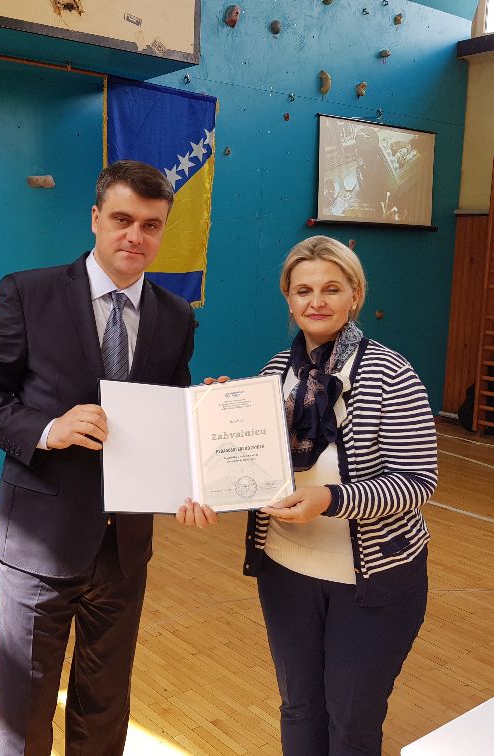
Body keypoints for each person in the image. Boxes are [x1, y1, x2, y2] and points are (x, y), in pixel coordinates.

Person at [0, 160, 196, 755]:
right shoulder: (28, 293)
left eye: (151, 225)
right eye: (121, 219)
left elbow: (171, 416)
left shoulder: (175, 315)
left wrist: (206, 428)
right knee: (26, 711)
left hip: (125, 546)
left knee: (106, 705)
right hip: (40, 541)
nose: (135, 236)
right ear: (94, 219)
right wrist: (46, 429)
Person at [178, 235, 437, 755]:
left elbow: (416, 483)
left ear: (355, 295)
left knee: (351, 722)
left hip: (370, 580)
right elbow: (255, 469)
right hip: (285, 570)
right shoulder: (276, 372)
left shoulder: (391, 373)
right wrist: (219, 423)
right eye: (303, 290)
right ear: (289, 299)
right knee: (298, 707)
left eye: (331, 289)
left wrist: (330, 500)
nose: (316, 301)